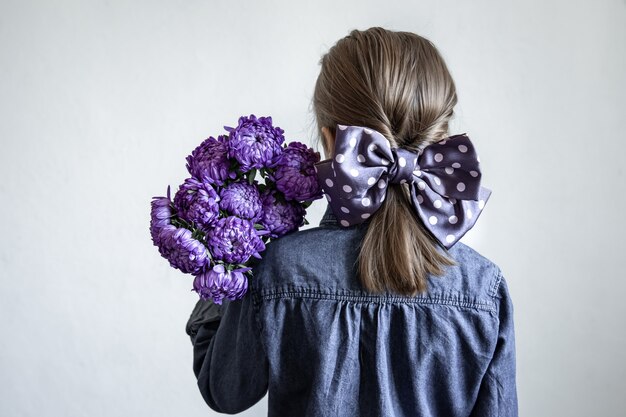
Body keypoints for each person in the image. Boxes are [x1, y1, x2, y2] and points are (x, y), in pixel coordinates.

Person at [186, 26, 518, 416]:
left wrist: (223, 265)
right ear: (440, 139)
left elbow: (224, 392)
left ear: (329, 141)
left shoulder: (278, 271)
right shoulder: (484, 289)